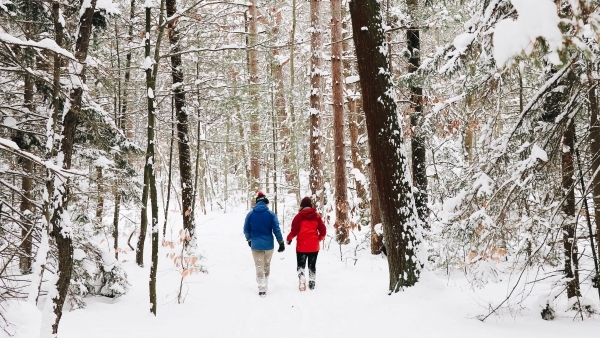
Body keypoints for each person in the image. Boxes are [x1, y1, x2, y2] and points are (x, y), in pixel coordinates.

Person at [243, 191, 285, 297]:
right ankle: (265, 282)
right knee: (266, 264)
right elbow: (276, 229)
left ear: (256, 203)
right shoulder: (271, 214)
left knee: (259, 266)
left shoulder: (250, 214)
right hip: (268, 245)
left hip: (256, 245)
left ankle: (262, 288)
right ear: (266, 203)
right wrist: (281, 242)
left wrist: (249, 239)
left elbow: (246, 229)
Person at [286, 197, 326, 291]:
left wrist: (289, 239)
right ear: (310, 205)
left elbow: (294, 231)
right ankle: (312, 282)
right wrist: (318, 239)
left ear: (302, 206)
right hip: (314, 247)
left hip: (302, 247)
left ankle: (302, 280)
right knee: (312, 265)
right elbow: (323, 231)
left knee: (301, 265)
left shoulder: (298, 217)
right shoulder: (317, 216)